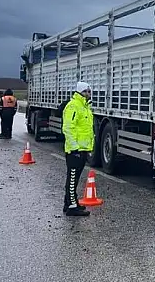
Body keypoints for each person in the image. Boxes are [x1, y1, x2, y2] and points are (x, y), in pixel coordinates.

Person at [62, 82, 94, 217]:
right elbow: (68, 128)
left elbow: (87, 130)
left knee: (74, 178)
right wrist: (74, 148)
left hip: (82, 149)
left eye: (89, 91)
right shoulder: (73, 106)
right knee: (72, 178)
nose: (88, 94)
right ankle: (72, 207)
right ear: (79, 92)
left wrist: (89, 147)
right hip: (75, 150)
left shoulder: (85, 107)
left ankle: (69, 202)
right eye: (86, 91)